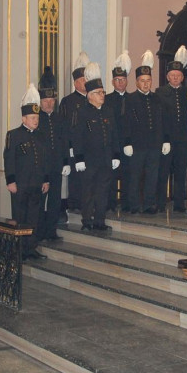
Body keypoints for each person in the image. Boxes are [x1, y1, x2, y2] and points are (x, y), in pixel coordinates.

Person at [71, 62, 119, 230]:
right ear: (90, 95)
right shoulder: (82, 113)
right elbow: (77, 137)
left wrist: (116, 155)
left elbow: (114, 135)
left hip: (105, 159)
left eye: (103, 92)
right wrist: (79, 159)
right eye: (98, 93)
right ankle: (87, 221)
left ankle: (100, 220)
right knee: (88, 192)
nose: (102, 95)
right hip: (89, 160)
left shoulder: (108, 111)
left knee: (102, 191)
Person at [4, 83, 49, 259]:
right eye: (31, 118)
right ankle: (20, 250)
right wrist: (10, 181)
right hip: (20, 185)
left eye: (36, 118)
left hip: (36, 185)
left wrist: (45, 180)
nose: (35, 121)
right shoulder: (13, 135)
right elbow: (9, 159)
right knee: (20, 218)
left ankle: (31, 248)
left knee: (34, 218)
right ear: (24, 119)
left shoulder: (41, 135)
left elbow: (44, 160)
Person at [123, 51, 163, 214]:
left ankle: (148, 204)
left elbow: (161, 121)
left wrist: (164, 140)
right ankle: (133, 205)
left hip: (154, 145)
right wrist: (127, 142)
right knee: (135, 176)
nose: (146, 84)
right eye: (142, 81)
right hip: (137, 145)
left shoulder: (157, 98)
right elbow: (126, 123)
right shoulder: (130, 99)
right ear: (137, 82)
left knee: (152, 177)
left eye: (148, 81)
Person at [155, 45, 187, 213]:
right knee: (163, 173)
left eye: (178, 75)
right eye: (172, 75)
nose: (175, 78)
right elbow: (159, 118)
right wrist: (164, 139)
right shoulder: (160, 92)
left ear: (182, 77)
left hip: (183, 139)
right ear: (168, 77)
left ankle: (179, 203)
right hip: (166, 140)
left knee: (181, 173)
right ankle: (160, 203)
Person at [36, 67, 66, 241]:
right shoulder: (36, 119)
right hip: (41, 168)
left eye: (51, 100)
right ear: (40, 101)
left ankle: (51, 230)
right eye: (46, 100)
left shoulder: (59, 118)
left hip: (56, 166)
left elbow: (64, 141)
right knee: (41, 201)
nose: (49, 103)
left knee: (55, 200)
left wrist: (66, 162)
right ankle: (39, 231)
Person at [59, 51, 90, 212]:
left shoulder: (92, 99)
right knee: (76, 179)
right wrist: (69, 147)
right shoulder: (67, 101)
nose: (85, 83)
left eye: (86, 79)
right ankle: (74, 204)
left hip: (89, 146)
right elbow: (64, 127)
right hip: (73, 147)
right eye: (81, 80)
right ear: (75, 83)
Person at [104, 51, 132, 211]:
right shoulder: (107, 100)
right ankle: (111, 204)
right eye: (117, 80)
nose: (120, 83)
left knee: (129, 174)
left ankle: (127, 204)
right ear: (113, 82)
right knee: (111, 176)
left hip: (129, 144)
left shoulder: (133, 99)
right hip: (111, 144)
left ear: (127, 81)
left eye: (123, 80)